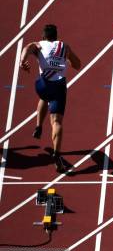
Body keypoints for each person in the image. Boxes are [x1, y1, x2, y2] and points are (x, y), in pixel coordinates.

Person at [19, 24, 81, 173]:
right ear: (56, 36)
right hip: (58, 87)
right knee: (57, 121)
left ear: (43, 36)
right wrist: (67, 61)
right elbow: (77, 65)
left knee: (44, 97)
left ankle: (38, 126)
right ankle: (57, 155)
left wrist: (22, 61)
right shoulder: (64, 46)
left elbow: (27, 47)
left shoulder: (39, 45)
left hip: (42, 85)